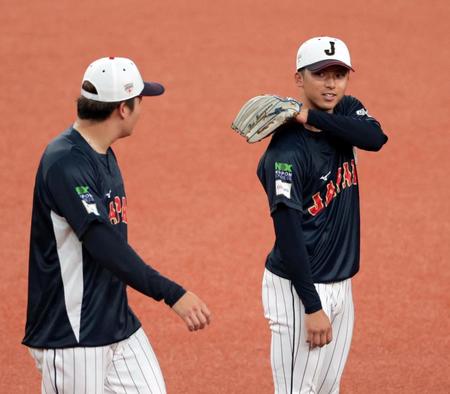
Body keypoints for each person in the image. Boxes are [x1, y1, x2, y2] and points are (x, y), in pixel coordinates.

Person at [23, 56, 211, 393]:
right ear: (123, 108)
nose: (142, 108)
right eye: (140, 100)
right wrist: (172, 293)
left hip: (115, 323)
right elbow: (103, 244)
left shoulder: (102, 152)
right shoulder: (65, 163)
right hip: (72, 333)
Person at [257, 37, 388, 393]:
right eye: (320, 74)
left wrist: (311, 116)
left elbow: (376, 139)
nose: (331, 84)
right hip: (300, 288)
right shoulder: (287, 151)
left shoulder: (347, 110)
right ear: (299, 78)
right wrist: (312, 306)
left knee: (328, 390)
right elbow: (288, 231)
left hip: (341, 284)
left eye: (339, 74)